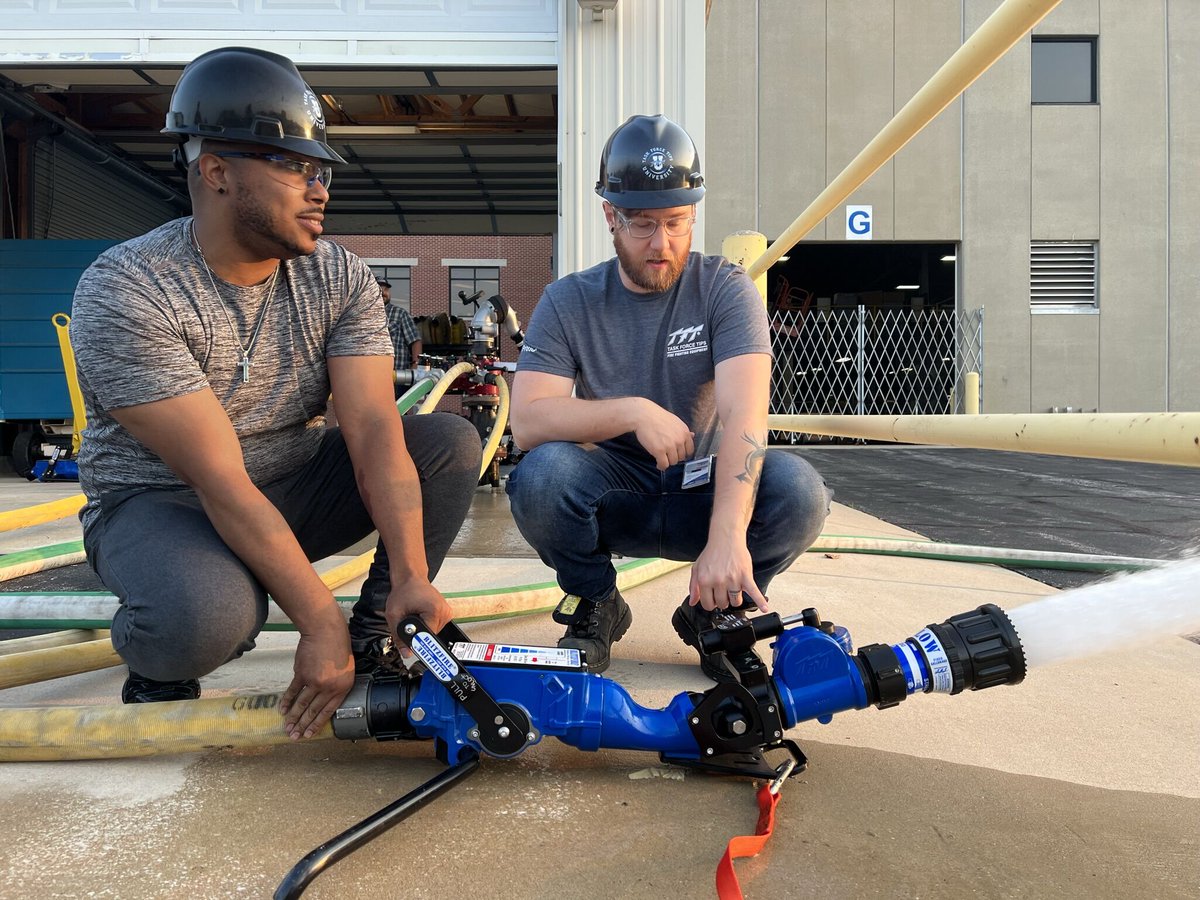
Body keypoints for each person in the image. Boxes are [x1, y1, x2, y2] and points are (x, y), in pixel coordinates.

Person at [68, 47, 481, 740]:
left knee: (445, 442)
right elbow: (219, 480)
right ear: (217, 172)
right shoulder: (130, 289)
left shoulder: (338, 277)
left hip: (291, 482)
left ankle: (373, 638)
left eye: (323, 171)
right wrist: (316, 620)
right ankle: (162, 650)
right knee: (206, 618)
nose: (320, 191)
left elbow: (373, 430)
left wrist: (412, 575)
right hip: (163, 503)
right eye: (295, 167)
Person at [505, 114, 830, 678]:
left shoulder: (725, 288)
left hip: (702, 489)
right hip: (613, 489)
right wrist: (632, 411)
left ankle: (714, 609)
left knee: (799, 491)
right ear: (610, 215)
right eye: (642, 224)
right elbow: (528, 422)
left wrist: (727, 536)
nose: (662, 244)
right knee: (540, 477)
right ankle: (596, 600)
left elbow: (745, 413)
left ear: (694, 213)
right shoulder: (567, 300)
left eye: (677, 222)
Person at [379, 278, 423, 394]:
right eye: (379, 289)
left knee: (399, 405)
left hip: (398, 377)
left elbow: (415, 341)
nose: (383, 292)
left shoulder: (400, 314)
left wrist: (415, 366)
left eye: (386, 289)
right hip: (374, 376)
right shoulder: (365, 316)